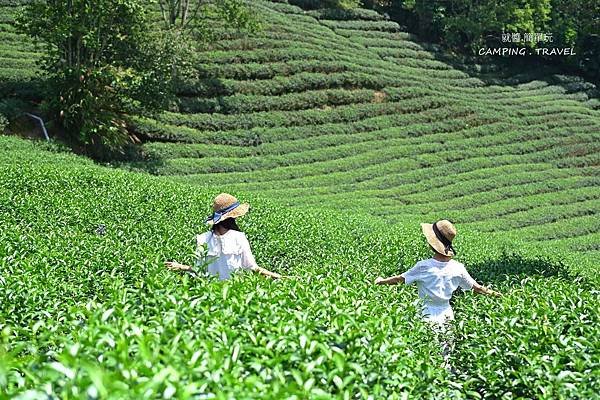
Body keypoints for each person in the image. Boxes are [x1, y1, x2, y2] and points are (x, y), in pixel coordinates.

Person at [374, 219, 501, 326]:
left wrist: (380, 281)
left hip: (426, 313)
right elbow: (477, 288)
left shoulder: (423, 266)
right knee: (446, 352)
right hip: (447, 316)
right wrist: (497, 295)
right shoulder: (458, 268)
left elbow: (399, 279)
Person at [165, 193, 281, 280]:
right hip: (234, 294)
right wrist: (277, 277)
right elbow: (252, 268)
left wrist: (181, 267)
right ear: (232, 218)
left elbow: (199, 270)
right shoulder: (239, 237)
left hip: (210, 296)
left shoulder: (203, 238)